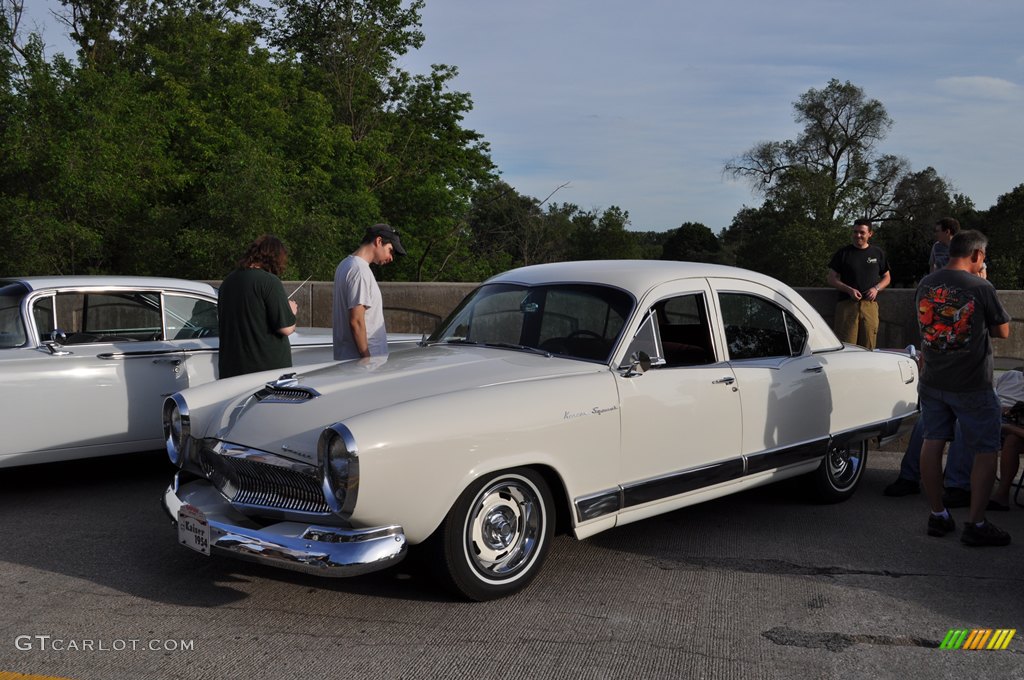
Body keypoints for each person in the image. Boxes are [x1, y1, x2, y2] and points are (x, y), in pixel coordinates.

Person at [916, 229, 1011, 546]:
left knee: (932, 442)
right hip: (972, 385)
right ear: (977, 255)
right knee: (985, 450)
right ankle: (976, 523)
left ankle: (938, 514)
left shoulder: (926, 284)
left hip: (933, 380)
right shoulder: (981, 286)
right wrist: (986, 280)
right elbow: (1003, 331)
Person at [218, 234, 298, 379]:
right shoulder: (269, 281)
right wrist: (291, 311)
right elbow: (286, 328)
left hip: (231, 370)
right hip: (266, 371)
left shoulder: (228, 282)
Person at [333, 223, 406, 360]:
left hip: (347, 360)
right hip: (363, 364)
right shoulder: (360, 271)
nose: (391, 258)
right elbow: (356, 321)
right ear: (379, 241)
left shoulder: (345, 265)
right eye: (391, 250)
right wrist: (367, 360)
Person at [827, 218, 891, 350]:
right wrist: (849, 290)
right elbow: (831, 278)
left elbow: (887, 277)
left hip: (870, 306)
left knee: (868, 346)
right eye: (855, 232)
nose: (858, 235)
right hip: (847, 305)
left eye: (862, 232)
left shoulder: (877, 253)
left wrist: (876, 288)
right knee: (846, 347)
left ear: (870, 234)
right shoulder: (843, 253)